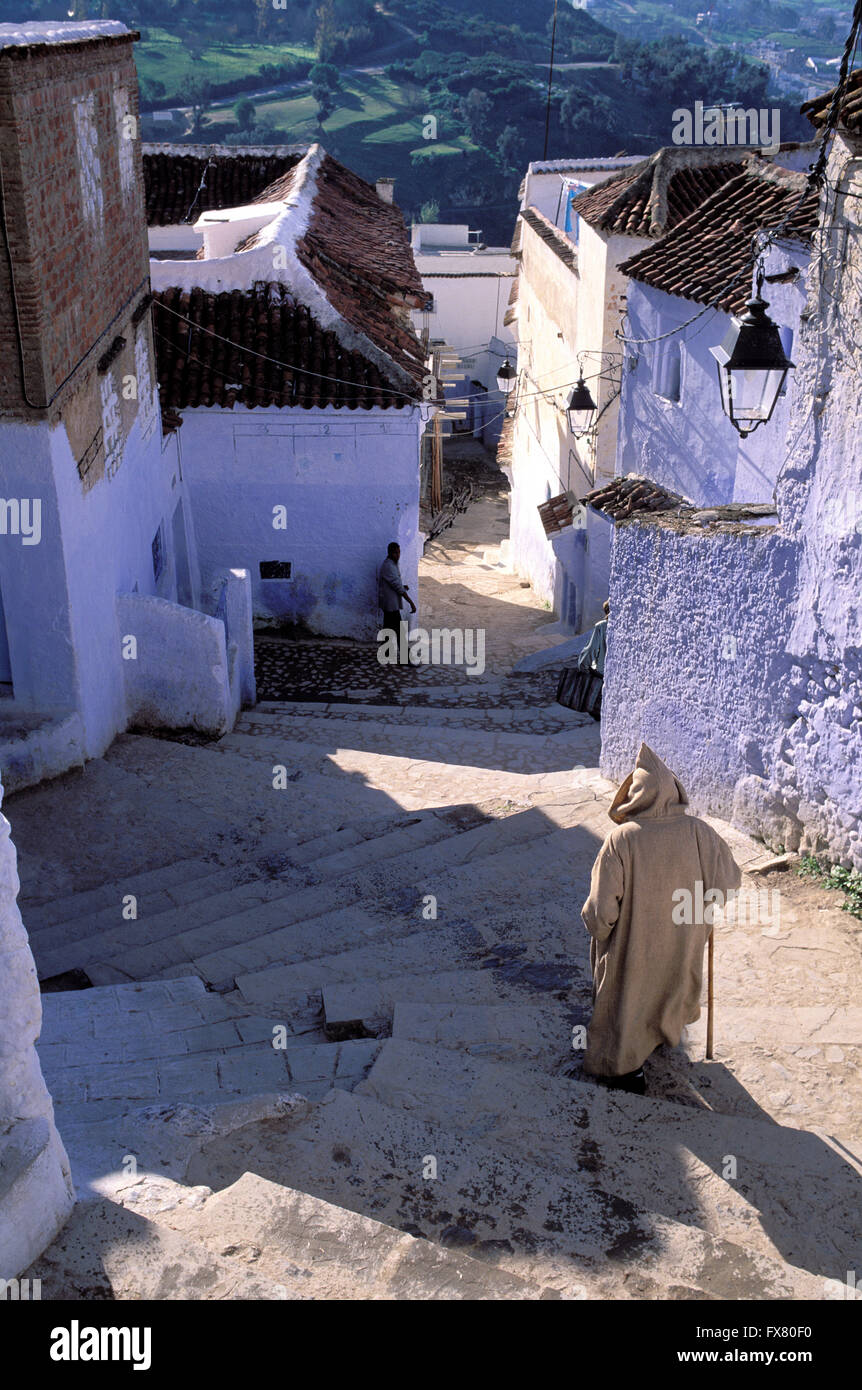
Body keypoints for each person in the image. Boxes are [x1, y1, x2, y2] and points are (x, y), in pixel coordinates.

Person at [580, 742, 741, 1095]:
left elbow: (601, 912)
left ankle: (624, 1068)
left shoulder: (621, 840)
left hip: (635, 948)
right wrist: (700, 918)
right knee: (668, 989)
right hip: (681, 945)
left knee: (627, 996)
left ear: (635, 797)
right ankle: (660, 1036)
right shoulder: (700, 832)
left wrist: (598, 930)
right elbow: (728, 882)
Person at [378, 541, 416, 637]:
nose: (398, 555)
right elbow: (397, 587)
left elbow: (394, 584)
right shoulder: (389, 566)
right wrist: (411, 602)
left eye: (399, 552)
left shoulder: (392, 564)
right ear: (390, 553)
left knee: (388, 630)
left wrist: (402, 586)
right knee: (398, 630)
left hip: (390, 604)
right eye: (395, 553)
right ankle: (404, 652)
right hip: (391, 605)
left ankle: (385, 651)